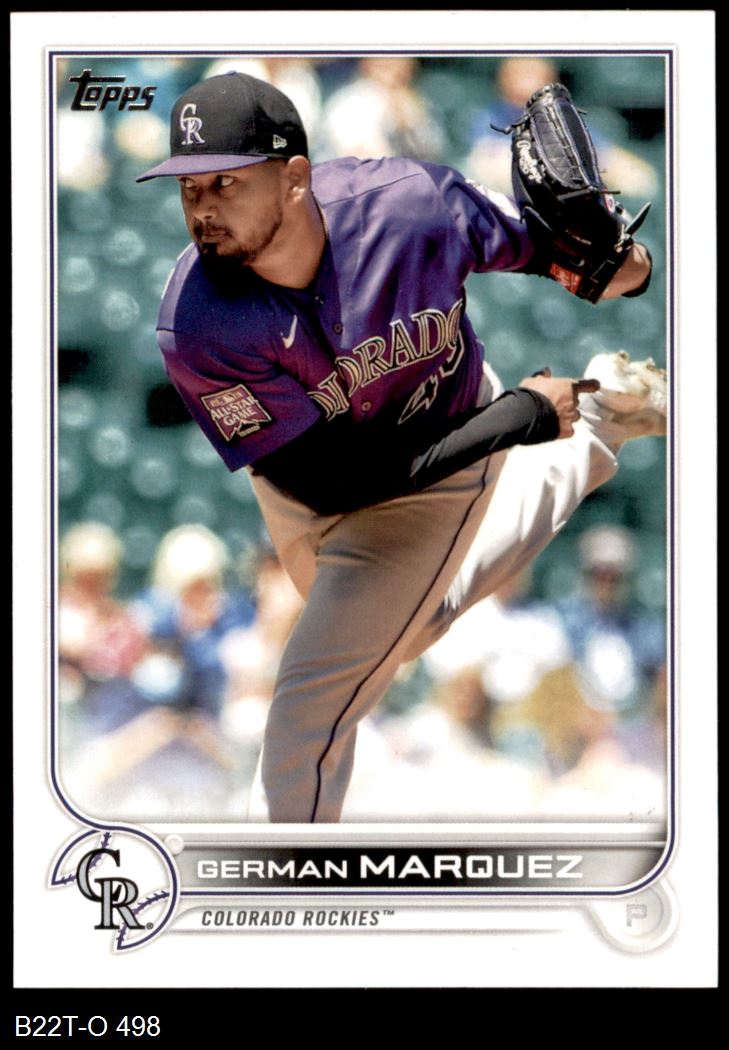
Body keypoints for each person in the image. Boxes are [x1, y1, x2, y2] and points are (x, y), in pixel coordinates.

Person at [136, 71, 665, 822]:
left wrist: (619, 261)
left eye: (226, 181)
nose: (203, 207)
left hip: (443, 445)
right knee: (407, 626)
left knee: (312, 703)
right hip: (311, 480)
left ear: (294, 178)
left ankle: (276, 882)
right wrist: (520, 418)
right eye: (190, 188)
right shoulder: (197, 321)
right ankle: (596, 419)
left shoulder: (409, 205)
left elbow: (592, 264)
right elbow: (329, 485)